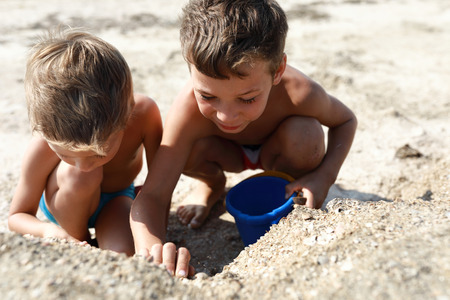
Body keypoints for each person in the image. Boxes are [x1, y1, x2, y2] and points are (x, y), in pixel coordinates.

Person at [130, 0, 357, 273]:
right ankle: (211, 185)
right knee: (176, 146)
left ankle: (281, 192)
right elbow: (153, 195)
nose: (226, 116)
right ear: (190, 68)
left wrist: (324, 176)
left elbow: (345, 120)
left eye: (247, 99)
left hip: (279, 150)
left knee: (306, 135)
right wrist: (152, 249)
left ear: (278, 70)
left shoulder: (299, 92)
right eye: (208, 96)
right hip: (222, 152)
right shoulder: (188, 108)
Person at [8, 28, 175, 262]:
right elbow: (17, 215)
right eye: (65, 155)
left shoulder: (144, 115)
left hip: (116, 199)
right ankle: (77, 239)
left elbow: (161, 184)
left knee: (121, 256)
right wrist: (50, 231)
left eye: (99, 154)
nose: (83, 164)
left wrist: (153, 227)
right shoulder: (45, 141)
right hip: (63, 202)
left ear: (127, 116)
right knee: (80, 176)